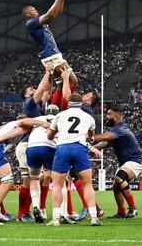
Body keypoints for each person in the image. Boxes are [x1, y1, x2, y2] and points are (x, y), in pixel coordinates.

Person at [0, 117, 50, 225]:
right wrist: (43, 123)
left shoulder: (9, 129)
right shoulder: (21, 126)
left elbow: (8, 145)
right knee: (9, 180)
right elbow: (23, 123)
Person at [46, 92, 101, 227]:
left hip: (63, 148)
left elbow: (50, 135)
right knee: (87, 184)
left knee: (57, 185)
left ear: (68, 103)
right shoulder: (88, 117)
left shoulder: (60, 115)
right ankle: (94, 217)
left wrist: (53, 135)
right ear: (81, 103)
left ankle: (56, 219)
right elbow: (91, 135)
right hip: (79, 149)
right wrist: (90, 138)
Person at [22, 0, 77, 105]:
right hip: (51, 56)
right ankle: (67, 109)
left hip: (51, 56)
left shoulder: (40, 24)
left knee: (60, 86)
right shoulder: (31, 23)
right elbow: (49, 14)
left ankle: (56, 108)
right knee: (73, 81)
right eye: (33, 10)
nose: (36, 11)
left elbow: (57, 13)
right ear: (27, 14)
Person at [91, 105, 142, 219]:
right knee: (116, 187)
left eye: (108, 114)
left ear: (116, 115)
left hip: (135, 160)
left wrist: (89, 137)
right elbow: (106, 143)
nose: (106, 116)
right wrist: (92, 149)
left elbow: (106, 137)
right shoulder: (116, 130)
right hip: (126, 162)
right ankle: (121, 212)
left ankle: (133, 208)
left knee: (119, 177)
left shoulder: (120, 129)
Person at [16, 66, 53, 222]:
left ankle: (38, 208)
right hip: (26, 145)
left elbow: (47, 92)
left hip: (35, 144)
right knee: (28, 181)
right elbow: (41, 90)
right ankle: (22, 213)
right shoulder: (29, 104)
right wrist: (47, 72)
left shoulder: (37, 108)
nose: (34, 89)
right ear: (26, 95)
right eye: (31, 89)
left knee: (44, 177)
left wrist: (51, 77)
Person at [27, 104, 60, 223]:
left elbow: (23, 122)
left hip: (32, 147)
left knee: (34, 178)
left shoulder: (38, 119)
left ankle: (36, 206)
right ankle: (56, 211)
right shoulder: (59, 119)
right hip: (49, 147)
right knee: (55, 179)